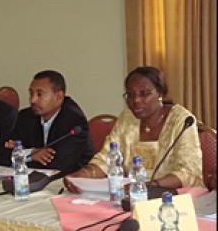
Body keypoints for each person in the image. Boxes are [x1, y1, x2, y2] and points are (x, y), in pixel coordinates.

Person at [64, 66, 204, 193]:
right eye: (130, 95)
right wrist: (82, 176)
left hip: (177, 197)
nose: (136, 100)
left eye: (144, 94)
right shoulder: (128, 118)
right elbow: (108, 158)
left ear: (160, 93)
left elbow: (189, 172)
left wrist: (150, 185)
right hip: (133, 195)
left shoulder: (181, 120)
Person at [0, 70, 94, 174]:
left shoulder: (75, 121)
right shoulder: (25, 116)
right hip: (33, 180)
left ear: (59, 97)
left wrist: (21, 155)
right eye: (31, 93)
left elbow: (58, 164)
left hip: (69, 181)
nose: (32, 100)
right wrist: (31, 153)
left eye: (39, 94)